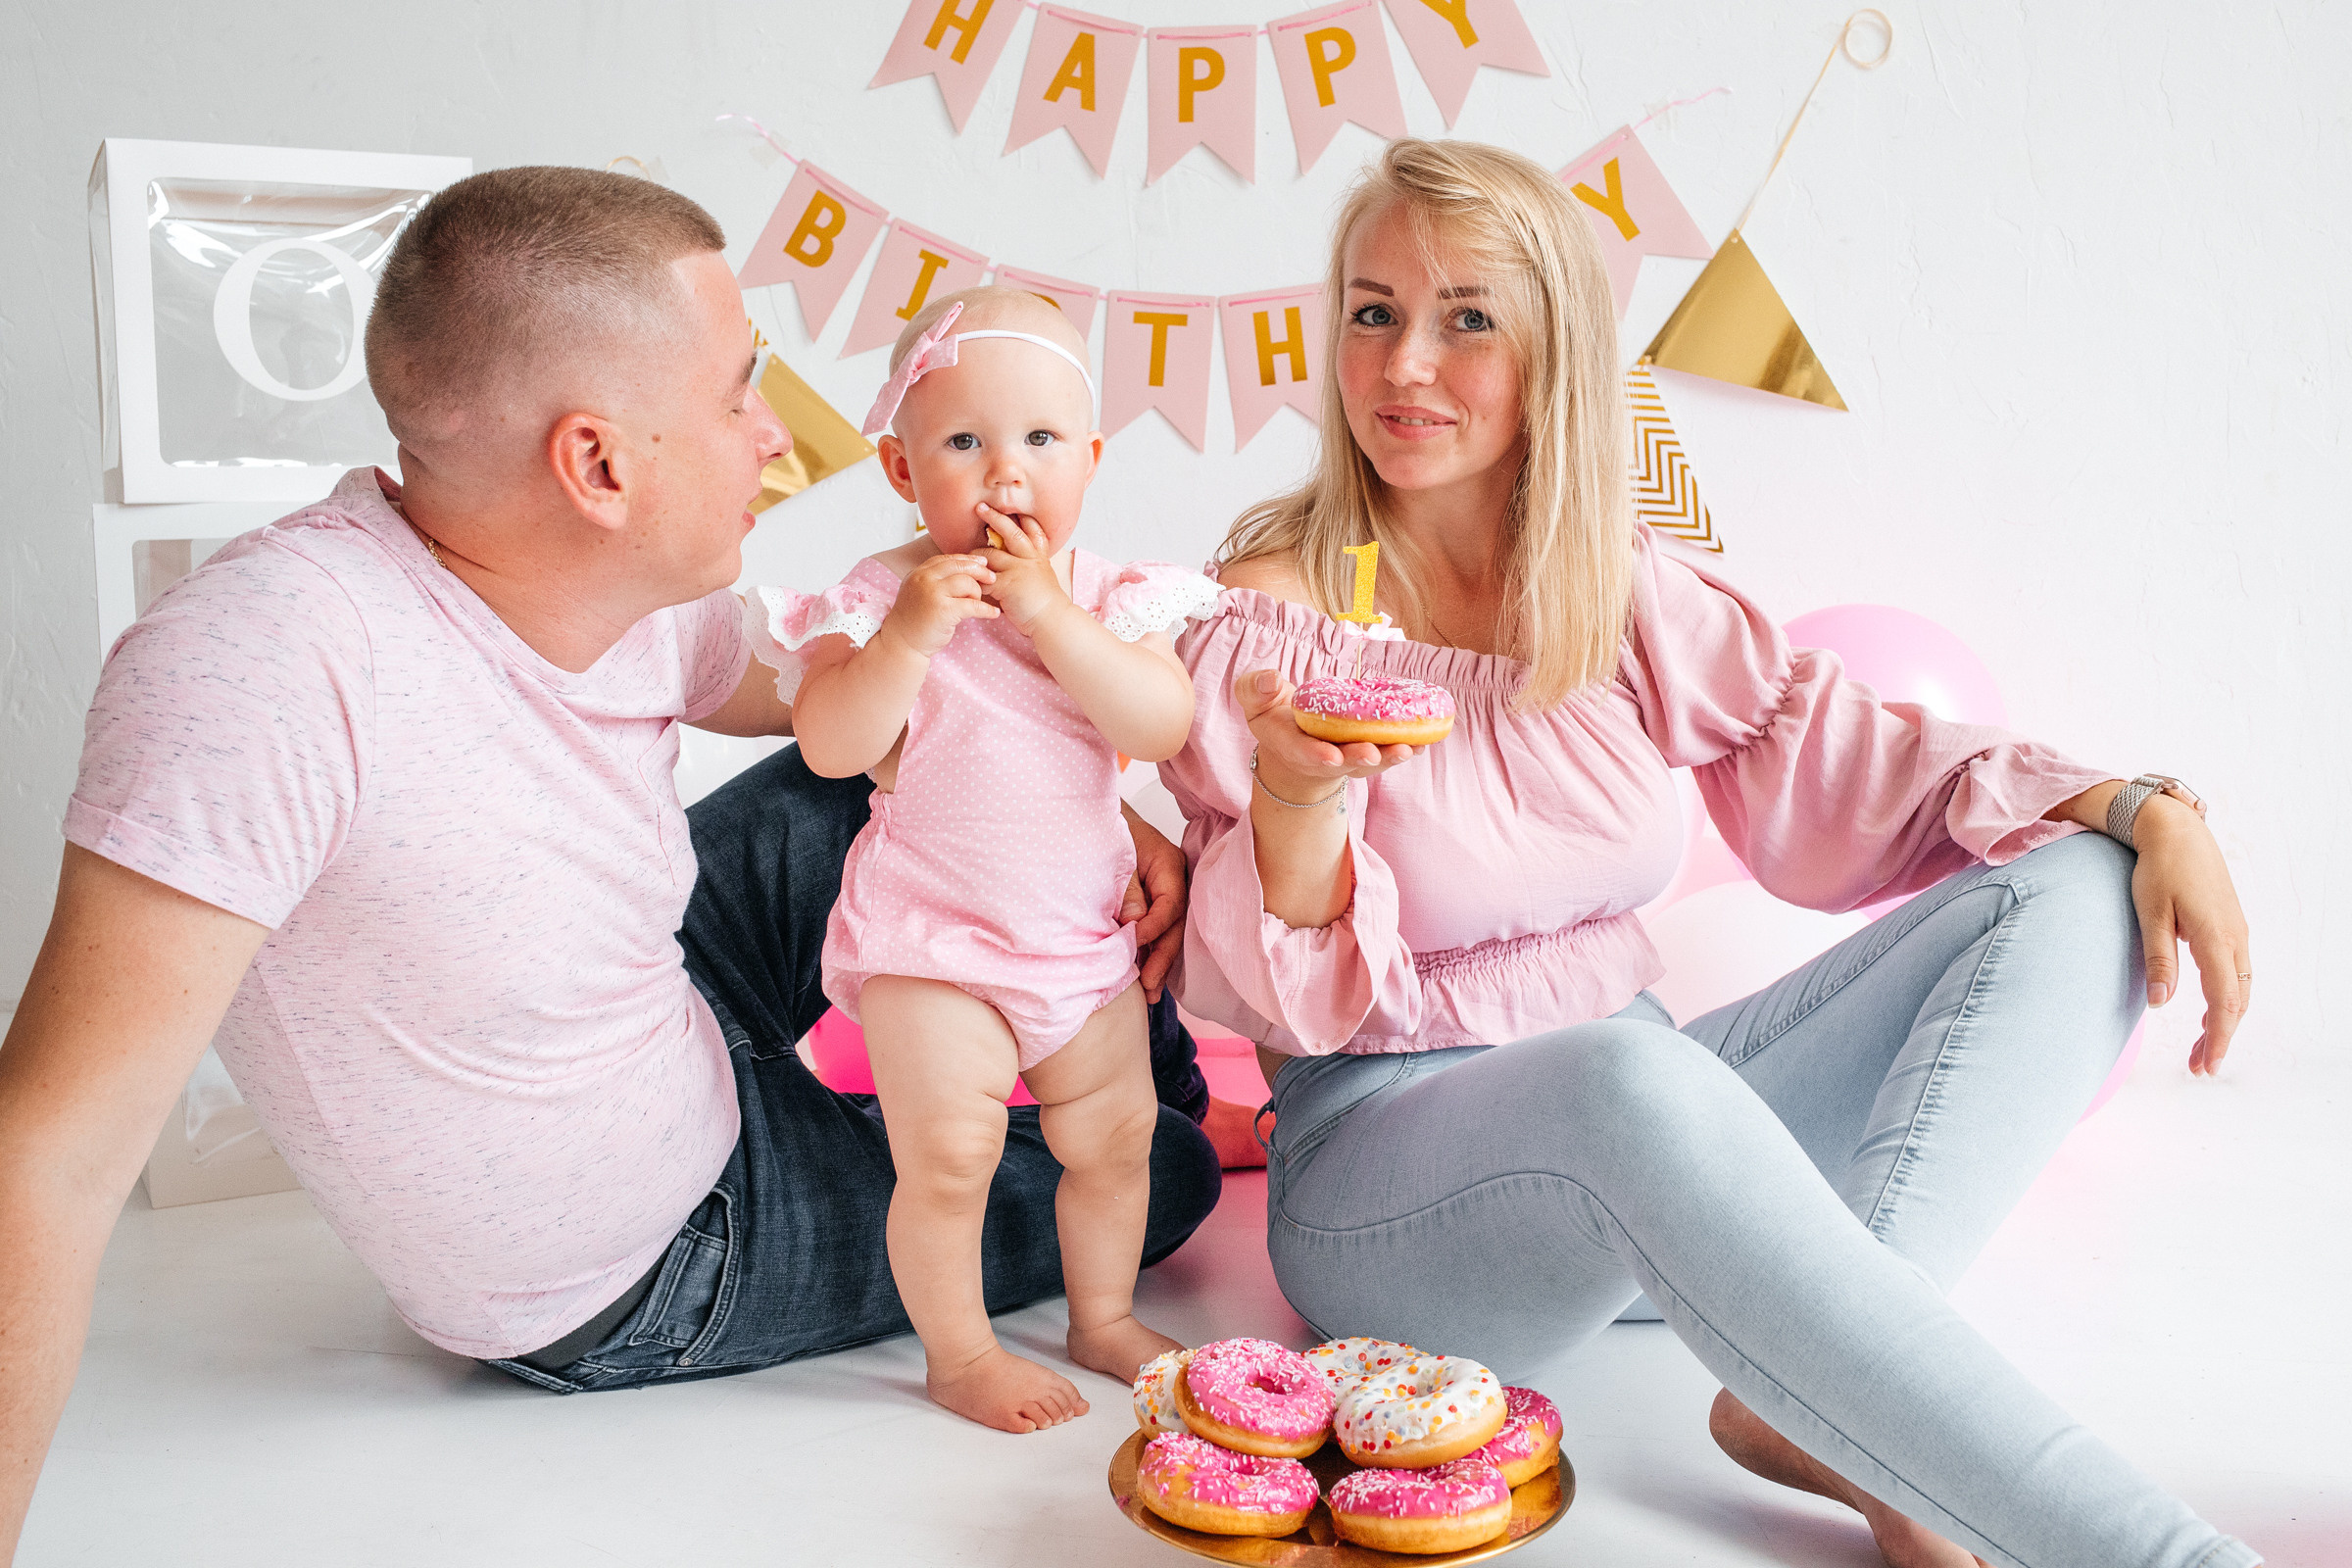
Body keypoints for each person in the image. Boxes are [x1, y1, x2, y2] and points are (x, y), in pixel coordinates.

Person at [0, 168, 1222, 1560]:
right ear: (598, 464)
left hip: (663, 989)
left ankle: (1107, 1027)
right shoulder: (262, 672)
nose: (773, 437)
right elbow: (50, 1156)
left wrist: (1109, 814)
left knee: (916, 766)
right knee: (1163, 1175)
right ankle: (1142, 1095)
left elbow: (866, 710)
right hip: (656, 1244)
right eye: (737, 392)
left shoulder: (611, 580)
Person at [1163, 139, 2260, 1568]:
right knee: (1632, 1074)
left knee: (2080, 884)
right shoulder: (1267, 619)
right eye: (1373, 312)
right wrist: (1300, 796)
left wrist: (2145, 805)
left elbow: (1872, 768)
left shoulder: (1614, 595)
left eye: (1467, 317)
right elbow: (1290, 993)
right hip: (1399, 1192)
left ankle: (1814, 1402)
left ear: (1555, 347)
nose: (1403, 366)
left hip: (1662, 1138)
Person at [749, 286, 1219, 1431]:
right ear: (905, 472)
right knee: (952, 1155)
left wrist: (1056, 620)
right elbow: (831, 743)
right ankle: (958, 1354)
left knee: (1115, 1140)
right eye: (964, 442)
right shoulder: (881, 597)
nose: (1006, 474)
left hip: (1076, 941)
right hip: (933, 942)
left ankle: (1100, 1315)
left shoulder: (1110, 597)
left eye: (1041, 441)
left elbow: (1159, 726)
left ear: (1091, 459)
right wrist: (911, 633)